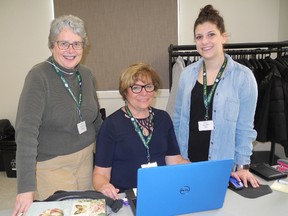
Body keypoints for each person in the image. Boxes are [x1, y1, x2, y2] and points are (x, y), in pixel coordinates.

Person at [12, 15, 102, 216]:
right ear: (52, 45)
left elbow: (95, 120)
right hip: (53, 166)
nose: (71, 50)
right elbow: (26, 133)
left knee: (87, 211)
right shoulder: (39, 76)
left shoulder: (86, 75)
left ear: (83, 47)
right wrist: (25, 187)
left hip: (87, 160)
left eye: (76, 44)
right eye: (64, 43)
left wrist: (109, 158)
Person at [172, 5, 260, 188]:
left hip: (222, 166)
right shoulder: (186, 75)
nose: (205, 41)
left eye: (211, 34)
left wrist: (243, 166)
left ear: (223, 37)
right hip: (187, 163)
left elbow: (245, 128)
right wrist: (177, 158)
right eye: (199, 37)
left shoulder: (243, 77)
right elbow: (178, 119)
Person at [93, 63, 189, 200]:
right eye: (136, 88)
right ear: (125, 92)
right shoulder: (111, 125)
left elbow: (175, 161)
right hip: (126, 197)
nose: (144, 93)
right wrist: (104, 186)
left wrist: (205, 171)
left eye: (148, 87)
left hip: (160, 192)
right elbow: (100, 174)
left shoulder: (163, 119)